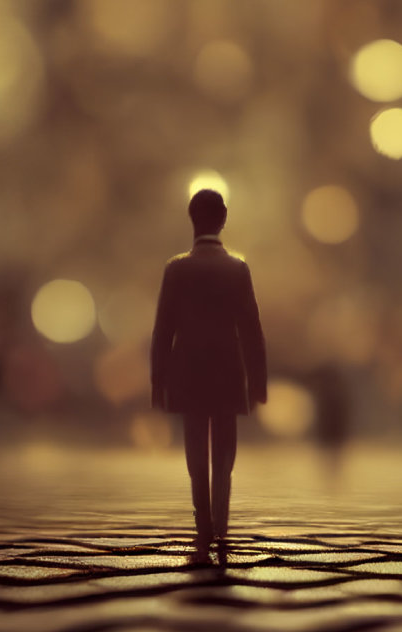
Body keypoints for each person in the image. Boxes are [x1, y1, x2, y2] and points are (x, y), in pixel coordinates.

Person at [150, 189, 267, 549]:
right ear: (224, 218)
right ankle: (221, 516)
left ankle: (202, 517)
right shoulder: (237, 269)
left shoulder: (176, 269)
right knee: (225, 450)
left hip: (188, 371)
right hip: (228, 371)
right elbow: (251, 329)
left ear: (192, 218)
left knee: (195, 448)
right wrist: (258, 380)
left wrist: (159, 381)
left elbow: (163, 330)